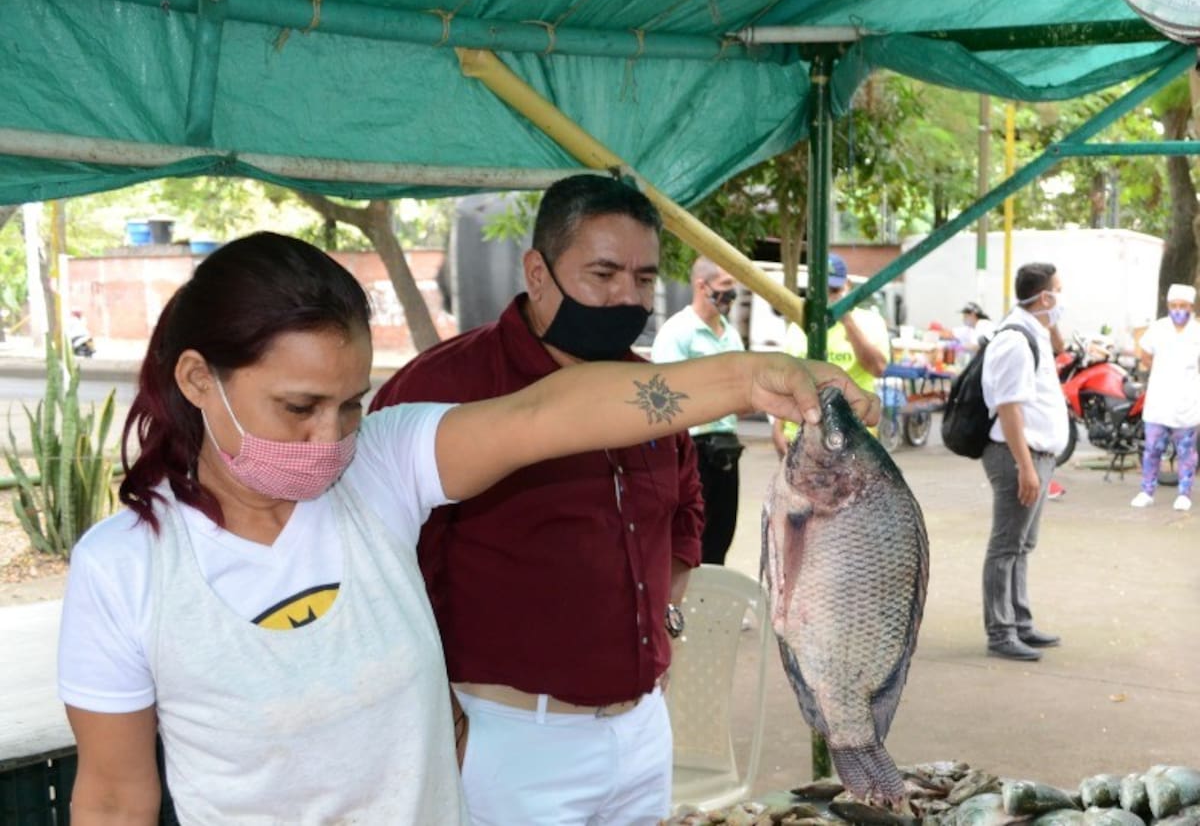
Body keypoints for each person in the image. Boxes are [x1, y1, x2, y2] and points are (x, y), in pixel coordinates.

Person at [58, 230, 879, 825]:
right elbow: (115, 797)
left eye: (349, 405)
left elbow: (547, 413)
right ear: (200, 379)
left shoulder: (379, 468)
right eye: (298, 408)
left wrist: (748, 377)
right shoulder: (126, 568)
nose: (329, 440)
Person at [370, 177, 697, 824]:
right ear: (537, 272)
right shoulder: (446, 388)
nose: (627, 297)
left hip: (641, 734)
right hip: (506, 739)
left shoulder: (654, 392)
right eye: (603, 273)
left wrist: (665, 623)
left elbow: (686, 512)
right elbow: (383, 566)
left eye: (643, 278)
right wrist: (443, 718)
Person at [979, 262, 1069, 662]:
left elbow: (1062, 347)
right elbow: (1009, 407)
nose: (1063, 299)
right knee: (1006, 545)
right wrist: (1026, 467)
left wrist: (1051, 323)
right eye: (1059, 292)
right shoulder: (1015, 340)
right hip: (1018, 456)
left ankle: (1020, 622)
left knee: (1022, 544)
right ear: (1045, 297)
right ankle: (1001, 632)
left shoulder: (1035, 332)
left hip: (1037, 455)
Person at [650, 255, 745, 565]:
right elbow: (664, 398)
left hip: (727, 450)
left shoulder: (730, 334)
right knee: (689, 541)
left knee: (720, 538)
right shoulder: (678, 333)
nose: (731, 293)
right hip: (692, 449)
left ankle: (711, 608)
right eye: (725, 285)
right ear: (701, 286)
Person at [772, 252, 891, 456]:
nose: (828, 297)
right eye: (822, 291)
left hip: (852, 438)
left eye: (834, 290)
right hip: (802, 438)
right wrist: (777, 429)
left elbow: (877, 368)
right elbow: (786, 381)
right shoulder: (799, 327)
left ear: (848, 286)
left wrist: (846, 320)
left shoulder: (870, 322)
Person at [1130, 283, 1200, 512]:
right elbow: (1145, 355)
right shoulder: (1158, 328)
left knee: (1186, 452)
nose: (1178, 310)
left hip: (1187, 402)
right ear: (1168, 306)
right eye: (1174, 306)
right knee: (1152, 448)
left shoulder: (1197, 332)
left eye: (1183, 306)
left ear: (1191, 307)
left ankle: (1184, 493)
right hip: (1159, 400)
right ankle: (1146, 491)